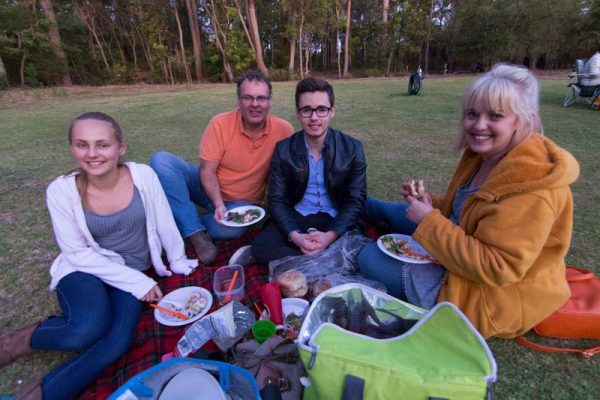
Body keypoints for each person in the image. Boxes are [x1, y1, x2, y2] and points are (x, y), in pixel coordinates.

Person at [358, 64, 580, 339]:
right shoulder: (486, 154)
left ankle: (366, 222)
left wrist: (428, 220)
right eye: (472, 114)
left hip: (486, 294)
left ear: (523, 120)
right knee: (384, 208)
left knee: (369, 258)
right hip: (458, 243)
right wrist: (431, 204)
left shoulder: (531, 190)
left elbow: (497, 267)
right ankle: (351, 203)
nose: (479, 125)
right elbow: (466, 209)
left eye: (495, 115)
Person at [0, 112, 197, 400]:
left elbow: (166, 223)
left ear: (121, 147)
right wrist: (137, 281)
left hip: (131, 273)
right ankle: (17, 342)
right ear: (72, 148)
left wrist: (178, 260)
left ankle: (40, 395)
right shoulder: (61, 191)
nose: (92, 154)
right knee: (86, 328)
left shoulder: (143, 175)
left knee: (117, 341)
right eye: (82, 145)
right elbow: (77, 253)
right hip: (84, 269)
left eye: (102, 145)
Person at [150, 70, 294, 265]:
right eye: (248, 98)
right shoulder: (220, 124)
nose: (255, 104)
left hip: (242, 203)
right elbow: (207, 171)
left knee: (231, 229)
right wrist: (218, 203)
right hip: (208, 188)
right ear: (238, 100)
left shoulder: (284, 130)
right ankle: (196, 233)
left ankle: (177, 220)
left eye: (261, 98)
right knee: (162, 161)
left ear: (269, 101)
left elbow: (282, 175)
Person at [251, 77, 367, 264]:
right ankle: (327, 259)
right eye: (307, 110)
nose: (314, 118)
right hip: (298, 215)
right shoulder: (283, 149)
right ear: (298, 113)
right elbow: (277, 200)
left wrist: (329, 237)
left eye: (321, 110)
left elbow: (355, 200)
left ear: (332, 112)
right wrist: (297, 237)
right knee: (260, 248)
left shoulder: (353, 148)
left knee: (362, 254)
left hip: (335, 217)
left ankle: (308, 259)